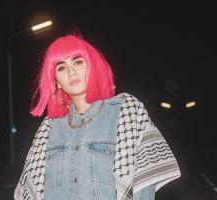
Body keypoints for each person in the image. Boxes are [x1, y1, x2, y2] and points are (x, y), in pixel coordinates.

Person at [14, 33, 181, 200]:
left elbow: (143, 183)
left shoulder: (124, 111)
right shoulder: (49, 128)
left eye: (78, 62)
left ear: (92, 66)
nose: (71, 72)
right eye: (61, 67)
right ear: (56, 80)